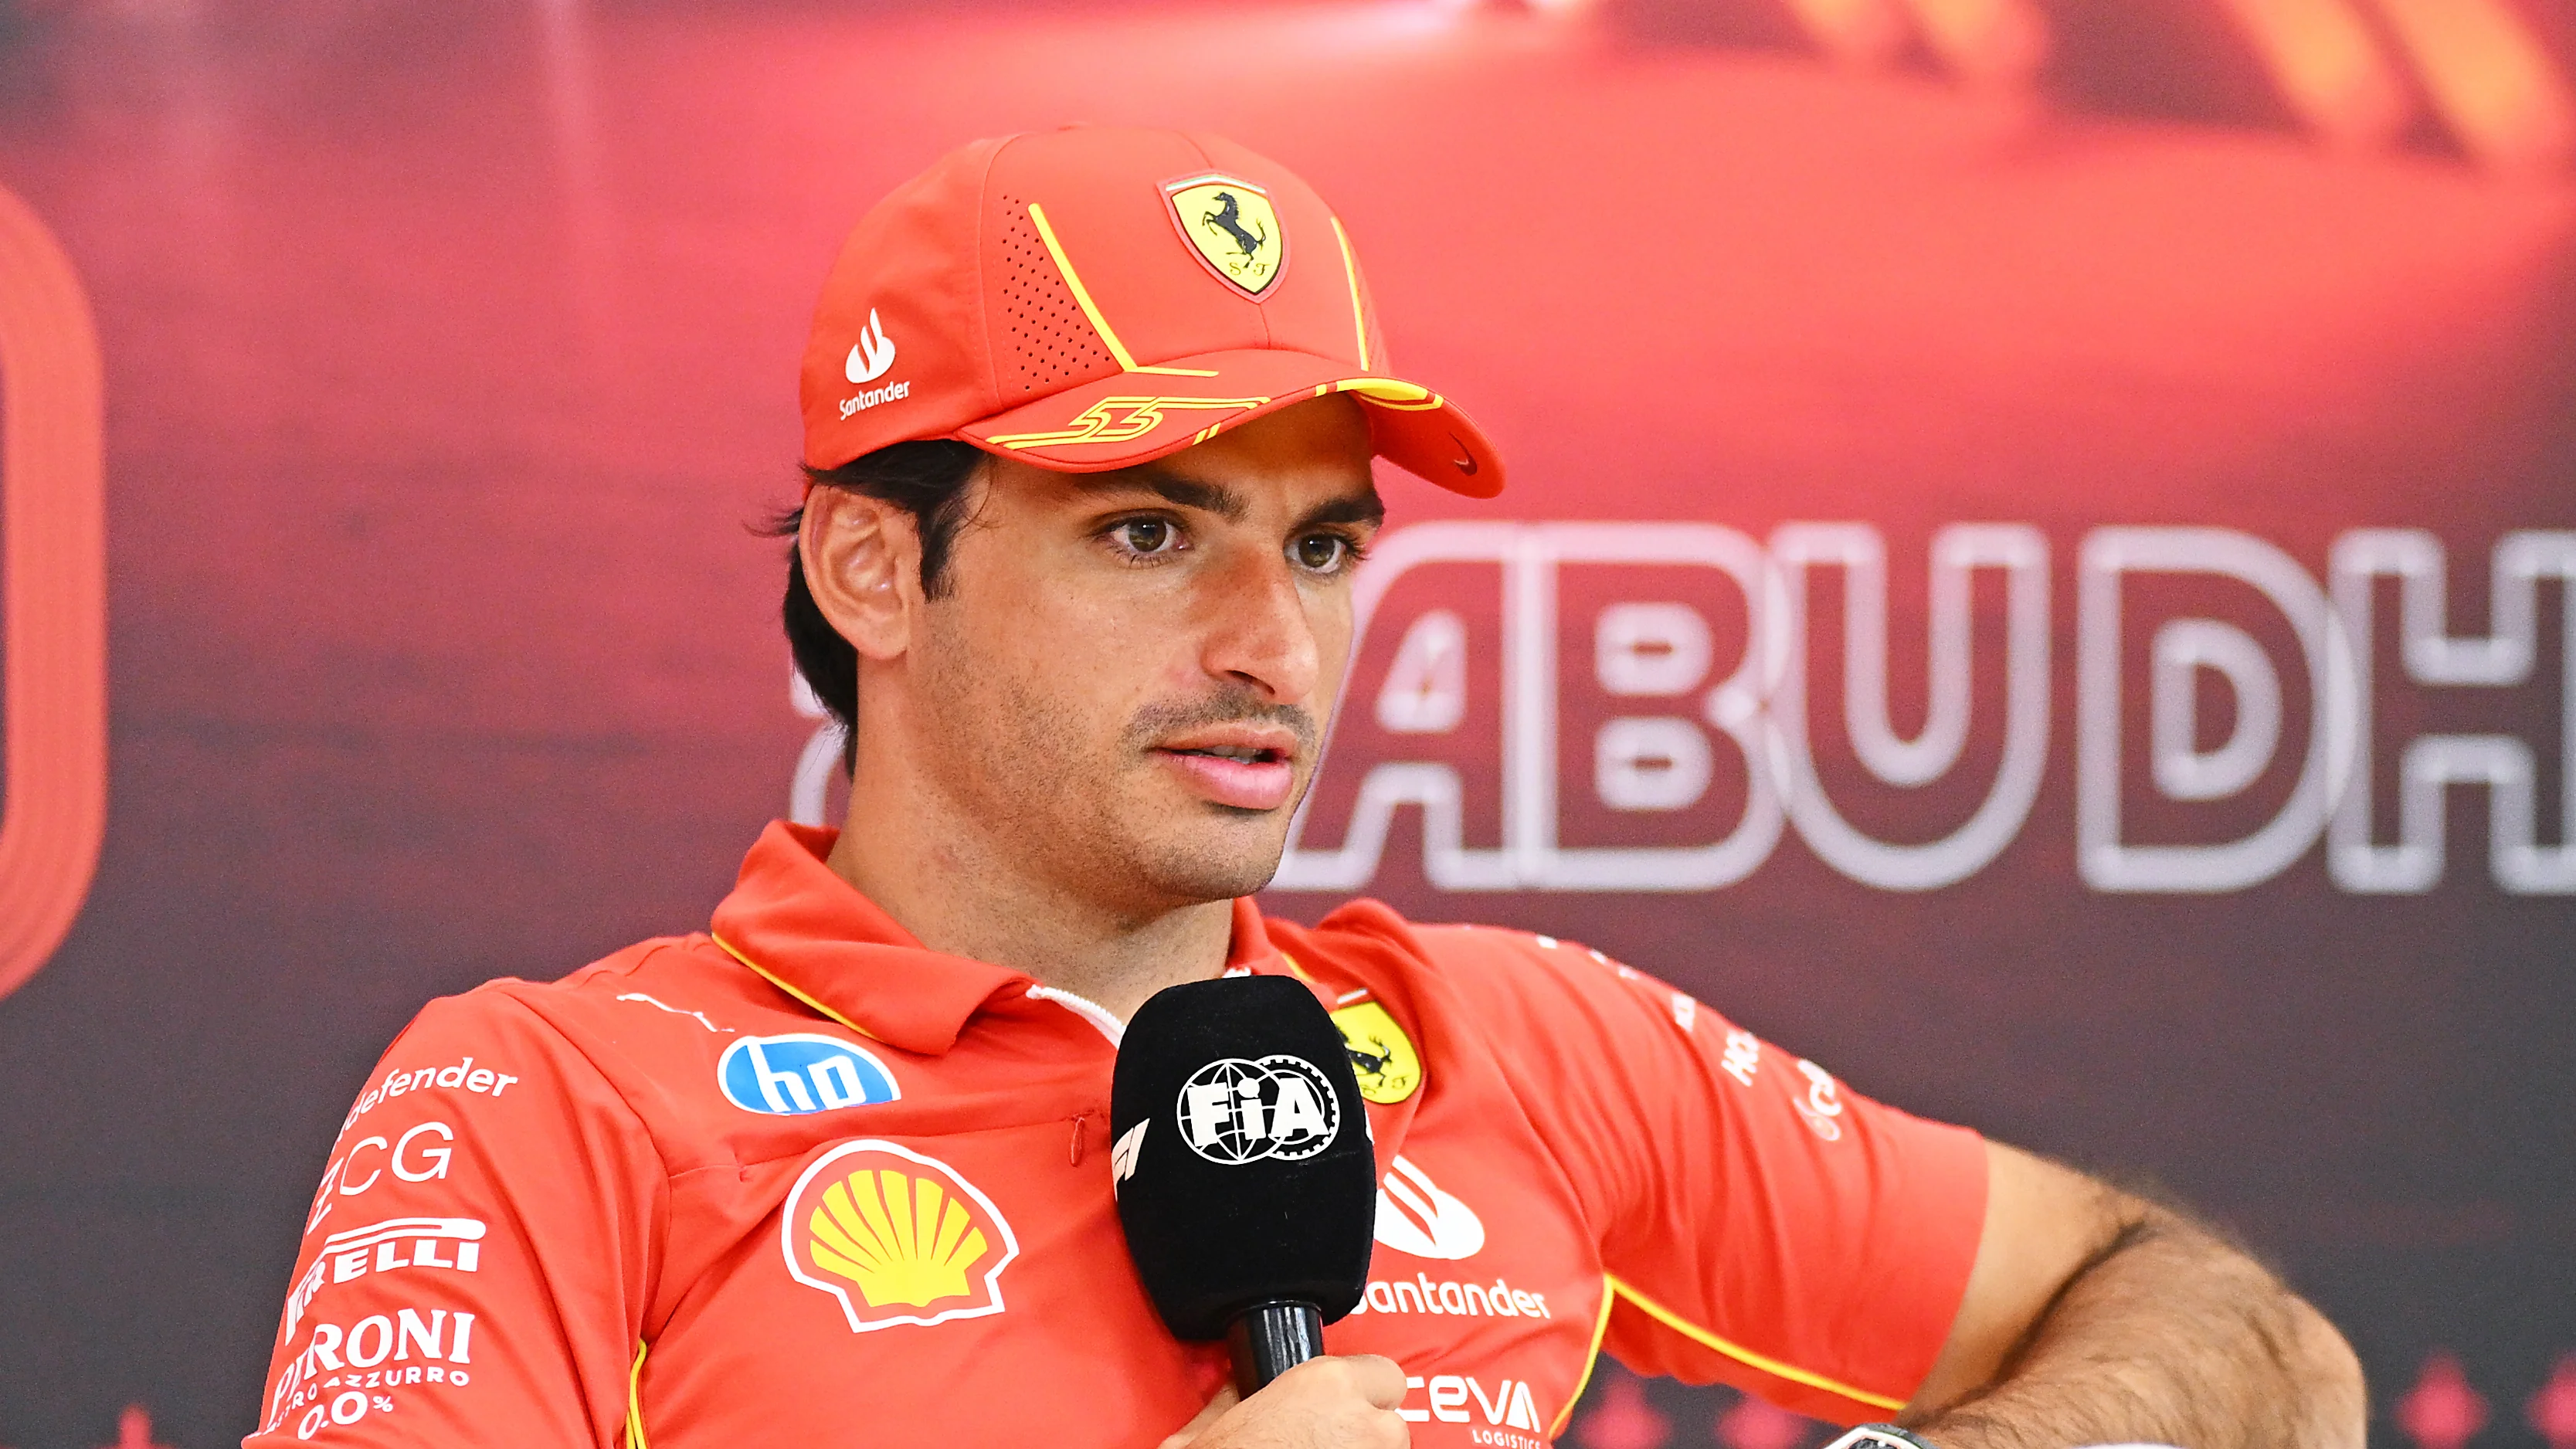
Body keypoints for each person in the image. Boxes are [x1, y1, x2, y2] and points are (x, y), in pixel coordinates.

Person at [245, 127, 2362, 1449]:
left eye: (1323, 543)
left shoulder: (1521, 1043)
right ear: (872, 565)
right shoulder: (544, 1102)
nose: (1274, 640)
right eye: (1150, 532)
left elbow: (2252, 1344)